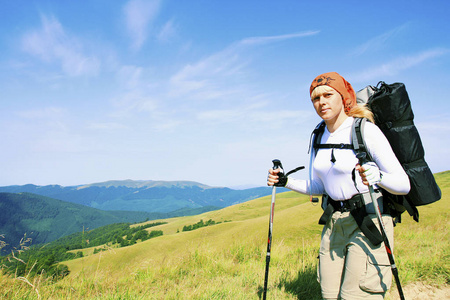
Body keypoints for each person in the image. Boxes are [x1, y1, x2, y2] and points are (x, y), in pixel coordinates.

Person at [267, 72, 410, 300]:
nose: (321, 102)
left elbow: (403, 185)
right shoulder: (318, 136)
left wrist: (378, 176)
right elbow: (319, 186)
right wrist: (286, 181)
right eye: (315, 98)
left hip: (369, 220)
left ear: (342, 96)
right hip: (334, 223)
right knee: (329, 294)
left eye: (328, 95)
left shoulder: (364, 130)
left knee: (357, 295)